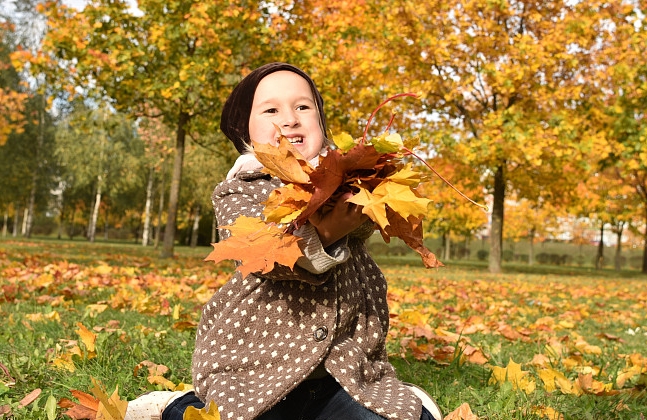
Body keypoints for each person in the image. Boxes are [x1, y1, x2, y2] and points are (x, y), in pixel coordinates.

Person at [125, 62, 443, 420]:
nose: (290, 118)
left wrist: (365, 187)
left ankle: (400, 399)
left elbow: (366, 224)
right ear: (244, 129)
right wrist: (324, 234)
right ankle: (175, 406)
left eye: (303, 107)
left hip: (342, 374)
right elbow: (264, 255)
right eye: (272, 110)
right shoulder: (240, 190)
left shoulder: (345, 183)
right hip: (254, 371)